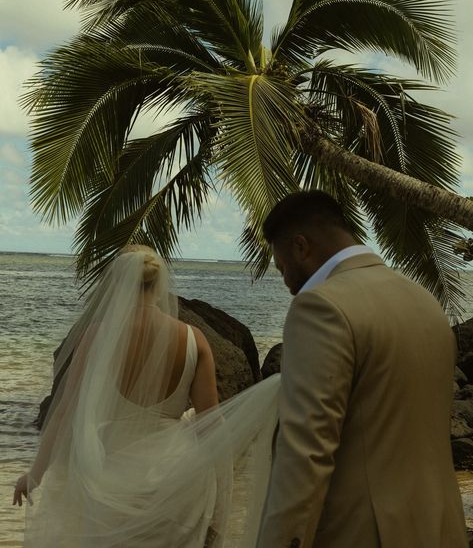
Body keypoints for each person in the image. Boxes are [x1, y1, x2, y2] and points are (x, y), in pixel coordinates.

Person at [13, 245, 280, 547]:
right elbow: (212, 425)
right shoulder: (194, 339)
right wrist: (219, 504)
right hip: (175, 479)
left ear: (119, 282)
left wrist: (34, 475)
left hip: (108, 478)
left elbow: (64, 412)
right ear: (158, 284)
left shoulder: (98, 336)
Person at [256, 190, 468, 548]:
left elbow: (306, 453)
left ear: (300, 247)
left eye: (282, 269)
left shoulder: (321, 308)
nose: (288, 284)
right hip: (440, 527)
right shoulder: (424, 301)